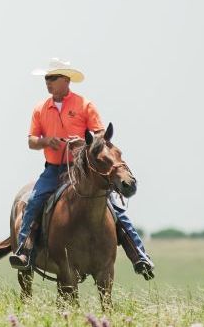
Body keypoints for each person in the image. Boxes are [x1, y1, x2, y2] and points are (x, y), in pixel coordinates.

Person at [10, 59, 154, 280]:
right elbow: (31, 141)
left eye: (52, 78)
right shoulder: (40, 108)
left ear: (66, 80)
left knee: (114, 208)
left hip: (83, 171)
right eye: (46, 79)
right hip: (53, 169)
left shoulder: (84, 105)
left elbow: (100, 137)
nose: (48, 83)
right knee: (34, 202)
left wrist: (83, 143)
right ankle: (24, 252)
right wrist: (47, 141)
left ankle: (139, 254)